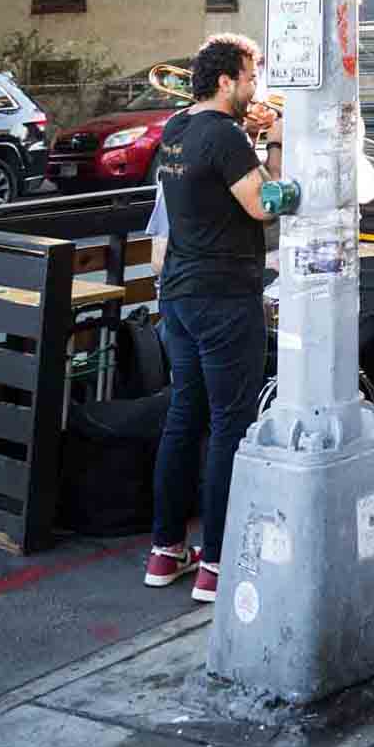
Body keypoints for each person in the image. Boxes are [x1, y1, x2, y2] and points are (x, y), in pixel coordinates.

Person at [145, 34, 281, 605]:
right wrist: (275, 146)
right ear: (226, 81)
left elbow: (205, 195)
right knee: (229, 424)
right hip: (224, 296)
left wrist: (252, 139)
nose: (254, 87)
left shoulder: (175, 130)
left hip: (177, 295)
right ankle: (217, 565)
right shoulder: (225, 135)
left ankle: (166, 551)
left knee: (184, 418)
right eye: (250, 77)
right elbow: (263, 203)